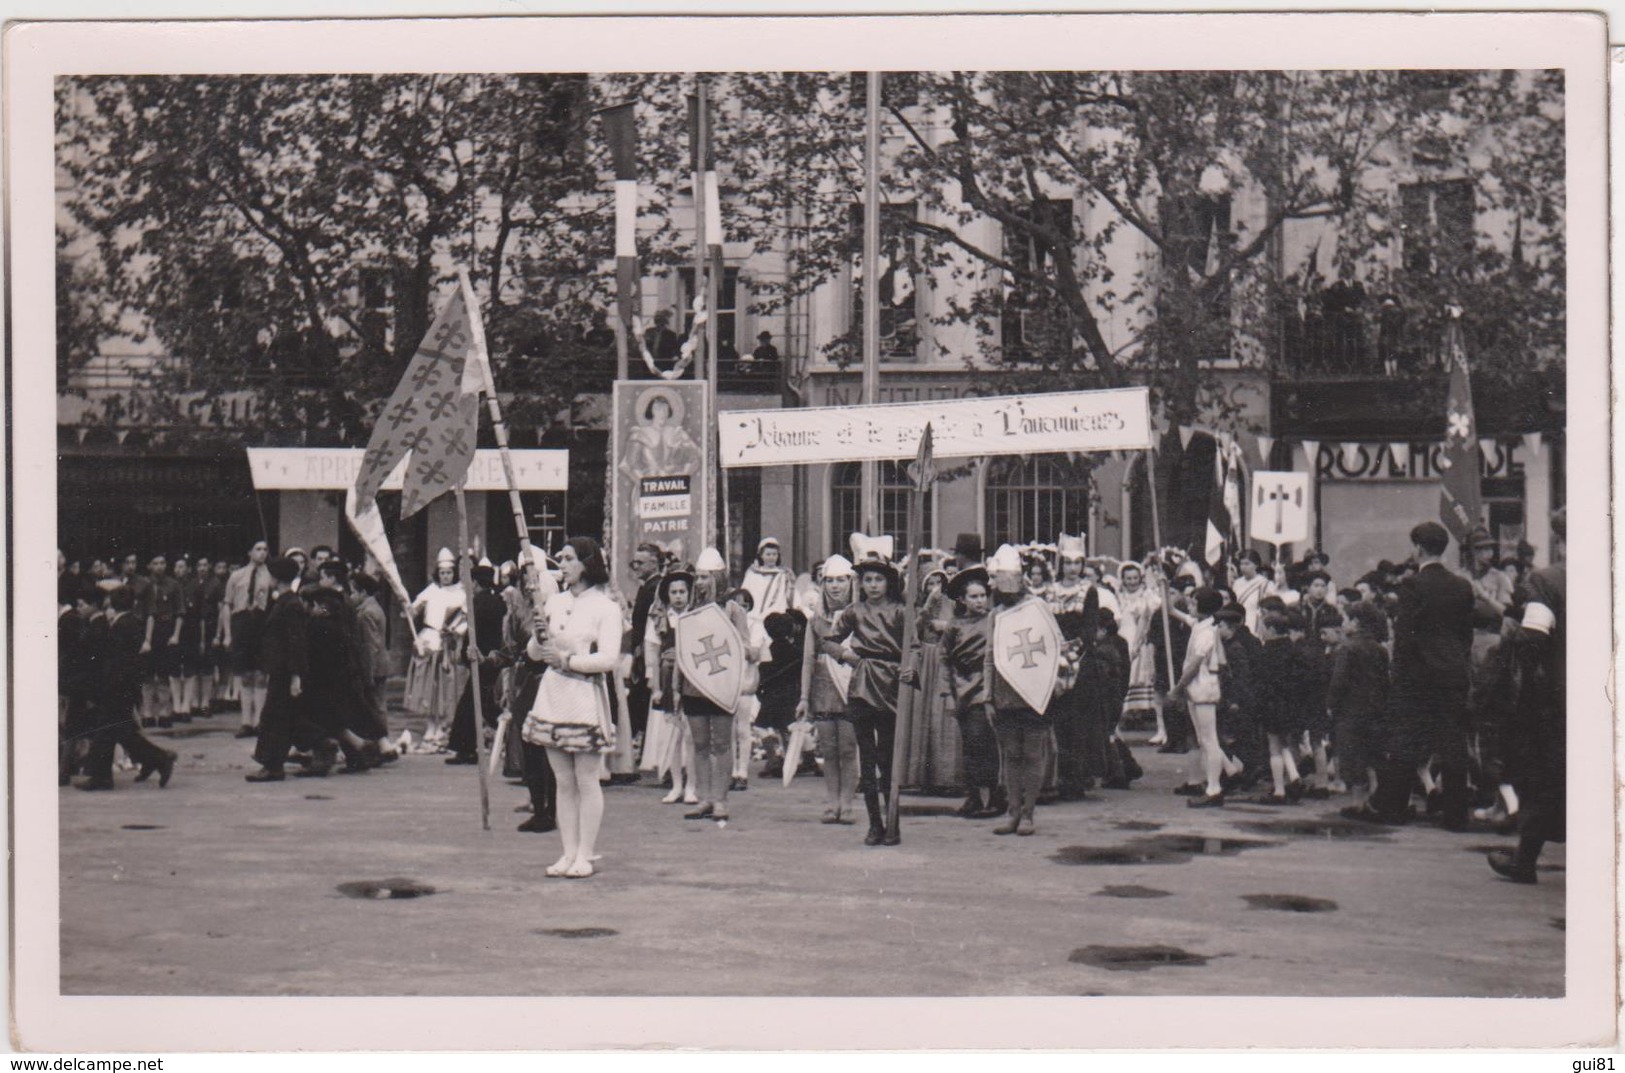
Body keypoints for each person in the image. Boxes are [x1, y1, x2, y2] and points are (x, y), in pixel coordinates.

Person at [1346, 521, 1474, 828]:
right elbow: (1465, 634)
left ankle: (1393, 808)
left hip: (1418, 679)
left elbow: (1405, 638)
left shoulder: (1413, 587)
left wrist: (1398, 677)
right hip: (1453, 675)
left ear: (1418, 548)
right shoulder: (1461, 586)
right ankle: (1456, 815)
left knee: (1405, 742)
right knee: (1453, 744)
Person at [520, 537, 624, 878]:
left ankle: (586, 853)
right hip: (554, 694)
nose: (561, 565)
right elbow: (535, 654)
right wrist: (538, 638)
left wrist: (570, 660)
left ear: (587, 563)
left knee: (586, 777)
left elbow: (609, 658)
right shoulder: (554, 602)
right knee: (562, 780)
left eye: (568, 559)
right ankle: (567, 852)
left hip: (584, 696)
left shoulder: (606, 607)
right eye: (560, 559)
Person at [1487, 519, 1565, 884]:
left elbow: (1533, 637)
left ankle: (1526, 861)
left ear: (1560, 541)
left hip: (1559, 698)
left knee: (1544, 777)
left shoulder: (1547, 582)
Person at [983, 544, 1067, 836]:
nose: (995, 585)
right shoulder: (995, 615)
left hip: (1034, 692)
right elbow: (990, 657)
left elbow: (1055, 644)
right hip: (1004, 693)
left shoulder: (1038, 608)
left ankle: (1028, 814)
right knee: (1011, 755)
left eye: (999, 578)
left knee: (1032, 753)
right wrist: (987, 696)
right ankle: (1012, 811)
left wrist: (1053, 681)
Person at [823, 552, 906, 846]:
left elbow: (915, 648)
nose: (873, 585)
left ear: (889, 582)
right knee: (867, 759)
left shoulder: (900, 611)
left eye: (878, 579)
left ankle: (893, 821)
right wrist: (846, 655)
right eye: (868, 579)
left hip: (889, 687)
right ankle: (874, 823)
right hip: (861, 685)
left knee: (887, 757)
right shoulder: (854, 611)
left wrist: (905, 672)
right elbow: (830, 640)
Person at [77, 585, 177, 792]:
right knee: (121, 731)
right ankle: (156, 759)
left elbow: (116, 663)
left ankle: (102, 777)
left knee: (107, 730)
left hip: (117, 688)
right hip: (124, 687)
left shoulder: (121, 626)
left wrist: (107, 687)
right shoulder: (131, 622)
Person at [246, 556, 335, 782]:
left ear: (277, 577)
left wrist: (296, 676)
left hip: (286, 671)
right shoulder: (283, 601)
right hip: (280, 669)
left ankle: (273, 766)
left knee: (273, 718)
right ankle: (322, 743)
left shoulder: (291, 604)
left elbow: (297, 643)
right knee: (289, 718)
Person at [795, 554, 859, 824]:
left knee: (848, 747)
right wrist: (804, 697)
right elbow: (808, 659)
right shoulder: (815, 621)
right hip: (823, 687)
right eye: (829, 581)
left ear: (850, 582)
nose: (835, 586)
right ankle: (831, 801)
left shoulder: (860, 615)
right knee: (829, 750)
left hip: (850, 686)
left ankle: (847, 802)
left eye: (840, 580)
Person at [1168, 587, 1228, 808]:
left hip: (1203, 688)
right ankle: (1215, 782)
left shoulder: (1207, 631)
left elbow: (1194, 664)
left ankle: (1214, 788)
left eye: (1194, 604)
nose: (1190, 607)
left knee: (1209, 740)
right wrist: (1164, 586)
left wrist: (1178, 687)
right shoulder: (1199, 624)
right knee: (1204, 740)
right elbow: (1171, 610)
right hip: (1197, 689)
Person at [1327, 601, 1389, 811]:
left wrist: (1331, 705)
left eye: (1345, 620)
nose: (1343, 625)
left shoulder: (1347, 648)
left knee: (1352, 757)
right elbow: (1384, 682)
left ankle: (1357, 803)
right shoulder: (1380, 649)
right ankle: (1375, 799)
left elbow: (1338, 681)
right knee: (1371, 755)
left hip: (1350, 710)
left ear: (1355, 622)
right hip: (1375, 710)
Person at [404, 549, 468, 751]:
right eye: (442, 573)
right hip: (430, 641)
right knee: (429, 688)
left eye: (449, 573)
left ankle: (443, 725)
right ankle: (431, 724)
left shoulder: (461, 593)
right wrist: (409, 608)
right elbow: (414, 609)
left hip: (448, 645)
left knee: (445, 687)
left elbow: (465, 620)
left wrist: (455, 631)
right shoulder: (431, 591)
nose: (446, 576)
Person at [447, 560, 509, 766]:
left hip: (481, 659)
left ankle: (466, 748)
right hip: (494, 659)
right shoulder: (498, 601)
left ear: (475, 582)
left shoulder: (478, 603)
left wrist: (467, 656)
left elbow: (472, 634)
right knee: (483, 702)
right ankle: (496, 737)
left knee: (473, 703)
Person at [647, 569, 700, 807]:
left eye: (682, 592)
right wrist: (656, 687)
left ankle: (692, 786)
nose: (678, 596)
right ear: (667, 595)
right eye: (674, 592)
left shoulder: (696, 615)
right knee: (674, 734)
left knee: (690, 734)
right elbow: (653, 655)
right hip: (669, 677)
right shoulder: (659, 618)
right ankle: (676, 785)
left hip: (692, 678)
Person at [221, 540, 274, 738]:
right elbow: (227, 604)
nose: (262, 553)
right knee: (244, 674)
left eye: (265, 550)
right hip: (241, 623)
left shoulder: (270, 576)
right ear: (249, 552)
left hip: (261, 623)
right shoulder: (236, 576)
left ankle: (260, 721)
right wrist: (227, 634)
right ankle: (246, 722)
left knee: (260, 674)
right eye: (258, 549)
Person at [625, 543, 664, 763]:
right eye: (634, 563)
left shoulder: (656, 588)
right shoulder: (646, 586)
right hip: (639, 651)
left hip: (646, 653)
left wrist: (641, 652)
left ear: (654, 563)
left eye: (640, 563)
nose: (636, 567)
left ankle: (646, 751)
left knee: (642, 701)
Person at [741, 538, 794, 620]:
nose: (771, 557)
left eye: (774, 554)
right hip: (753, 615)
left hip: (775, 615)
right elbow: (745, 594)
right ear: (761, 555)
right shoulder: (752, 574)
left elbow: (785, 598)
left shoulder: (783, 575)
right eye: (768, 554)